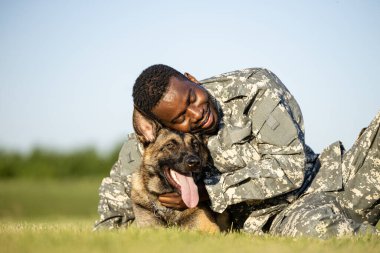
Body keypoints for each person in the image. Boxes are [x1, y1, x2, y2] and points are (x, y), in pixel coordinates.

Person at [94, 64, 380, 238]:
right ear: (162, 124)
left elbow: (292, 165)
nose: (195, 113)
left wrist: (211, 193)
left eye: (193, 97)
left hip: (339, 178)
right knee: (318, 232)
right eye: (180, 118)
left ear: (191, 78)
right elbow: (121, 189)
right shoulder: (158, 142)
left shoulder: (254, 86)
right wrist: (103, 237)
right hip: (286, 214)